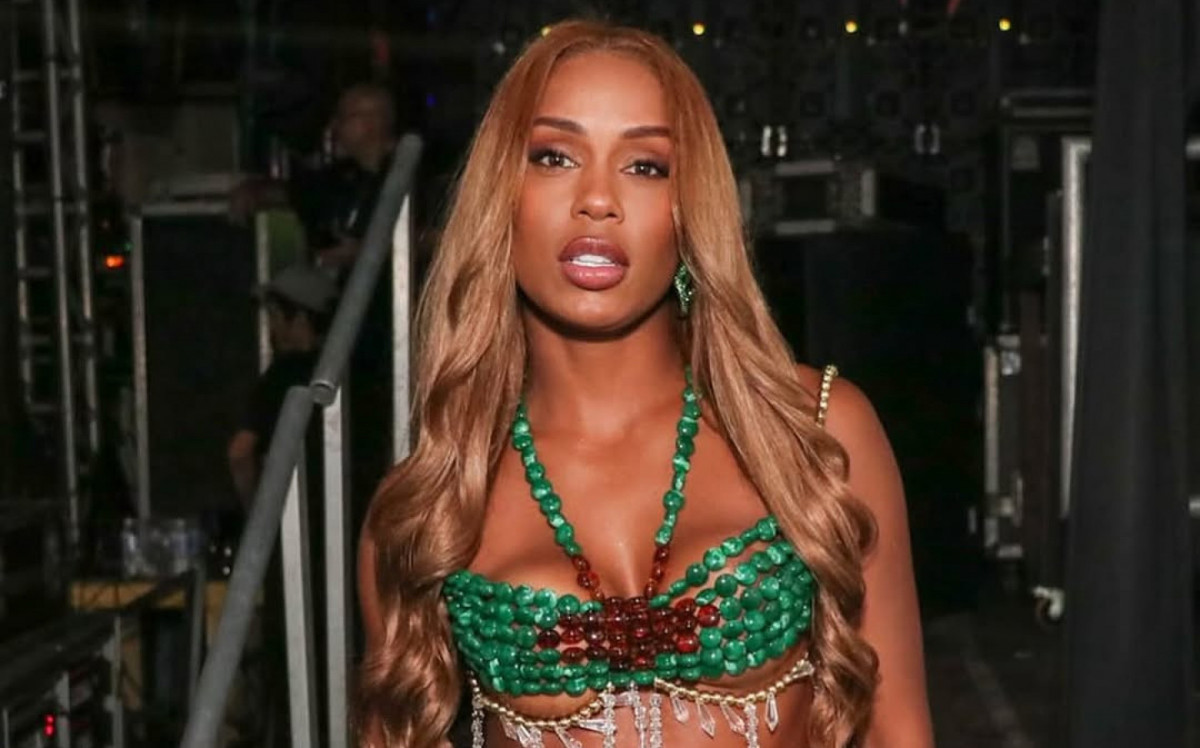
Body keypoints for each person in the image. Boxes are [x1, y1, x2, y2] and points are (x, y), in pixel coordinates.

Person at [357, 21, 932, 748]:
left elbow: (899, 730)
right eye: (555, 156)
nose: (598, 199)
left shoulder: (819, 431)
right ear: (501, 195)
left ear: (689, 211)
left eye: (644, 166)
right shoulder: (427, 510)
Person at [227, 262, 337, 747]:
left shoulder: (282, 378)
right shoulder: (349, 378)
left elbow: (240, 452)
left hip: (289, 541)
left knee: (287, 664)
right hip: (339, 537)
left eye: (277, 315)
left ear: (300, 318)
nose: (271, 327)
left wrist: (258, 517)